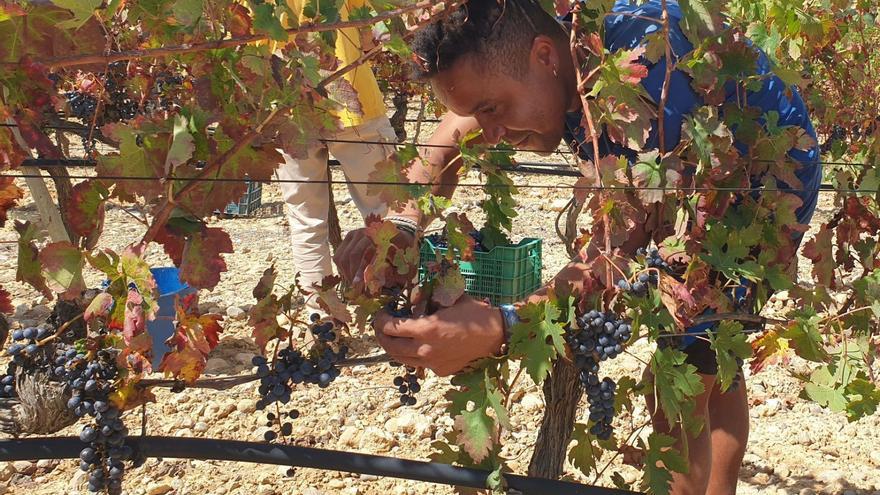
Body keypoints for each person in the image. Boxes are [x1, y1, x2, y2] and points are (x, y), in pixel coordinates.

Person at [335, 1, 822, 494]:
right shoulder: (553, 49)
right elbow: (456, 128)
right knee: (712, 352)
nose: (494, 133)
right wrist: (402, 220)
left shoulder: (651, 98)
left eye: (493, 108)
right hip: (677, 167)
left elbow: (614, 260)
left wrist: (500, 324)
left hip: (760, 183)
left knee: (684, 373)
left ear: (544, 56)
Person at [273, 0, 399, 310]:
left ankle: (323, 320)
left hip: (287, 105)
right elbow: (371, 28)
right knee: (389, 209)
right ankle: (398, 307)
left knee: (305, 218)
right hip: (352, 100)